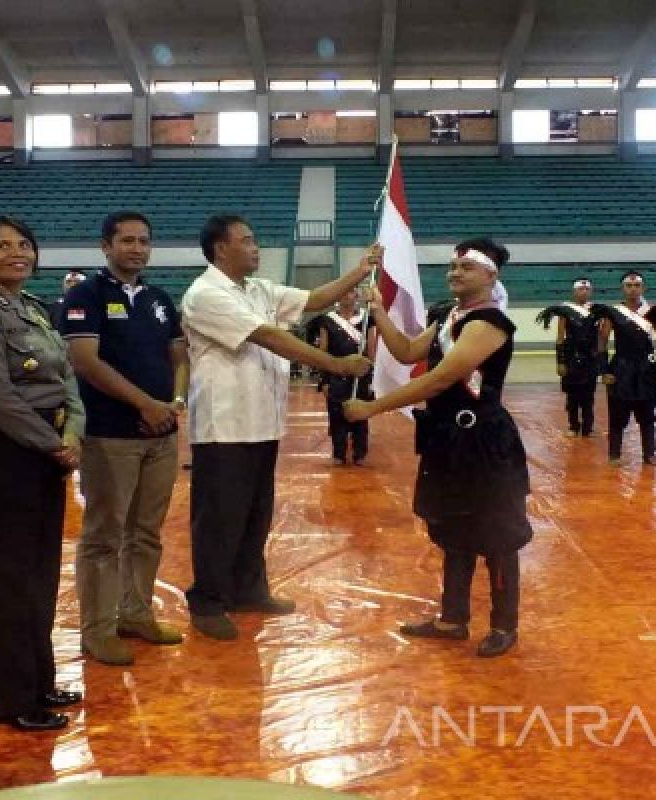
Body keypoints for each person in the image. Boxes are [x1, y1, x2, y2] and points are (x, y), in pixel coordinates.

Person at [180, 213, 374, 641]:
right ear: (220, 249)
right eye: (247, 241)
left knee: (254, 513)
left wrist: (358, 272)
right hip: (224, 425)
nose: (256, 247)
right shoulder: (206, 294)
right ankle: (208, 600)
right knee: (219, 519)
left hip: (262, 421)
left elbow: (314, 299)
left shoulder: (258, 289)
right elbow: (268, 336)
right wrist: (335, 364)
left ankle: (248, 588)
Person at [344, 238, 531, 658]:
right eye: (452, 265)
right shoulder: (447, 316)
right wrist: (376, 310)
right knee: (453, 528)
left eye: (466, 267)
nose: (455, 272)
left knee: (497, 534)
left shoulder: (489, 323)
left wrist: (373, 408)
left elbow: (440, 378)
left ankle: (504, 624)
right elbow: (408, 351)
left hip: (483, 441)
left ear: (491, 275)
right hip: (447, 438)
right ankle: (452, 618)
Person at [0, 215, 86, 732]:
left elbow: (67, 377)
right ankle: (10, 698)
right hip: (1, 452)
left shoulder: (36, 310)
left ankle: (39, 680)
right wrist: (54, 444)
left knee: (40, 573)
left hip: (46, 449)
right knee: (7, 579)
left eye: (24, 244)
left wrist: (73, 432)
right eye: (3, 246)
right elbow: (0, 399)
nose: (17, 253)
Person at [60, 211, 189, 666]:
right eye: (127, 240)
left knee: (147, 533)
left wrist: (172, 402)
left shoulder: (159, 299)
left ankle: (135, 613)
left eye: (144, 241)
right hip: (110, 434)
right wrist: (144, 405)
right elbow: (84, 361)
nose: (136, 248)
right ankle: (97, 630)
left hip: (161, 434)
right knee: (104, 535)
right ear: (105, 246)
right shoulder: (85, 295)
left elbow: (179, 355)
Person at [594, 270, 656, 466]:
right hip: (621, 368)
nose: (633, 289)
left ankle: (650, 453)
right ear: (622, 288)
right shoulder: (613, 312)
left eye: (637, 286)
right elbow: (601, 341)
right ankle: (614, 454)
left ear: (643, 288)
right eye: (629, 285)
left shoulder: (655, 312)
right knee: (617, 415)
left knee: (647, 415)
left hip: (646, 369)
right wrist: (604, 370)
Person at [316, 288, 375, 465]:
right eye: (342, 292)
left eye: (350, 292)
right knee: (336, 415)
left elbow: (371, 352)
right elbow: (323, 352)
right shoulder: (328, 321)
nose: (345, 295)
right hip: (336, 375)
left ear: (356, 296)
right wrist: (324, 380)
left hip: (361, 376)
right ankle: (339, 453)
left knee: (361, 414)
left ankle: (360, 453)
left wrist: (370, 376)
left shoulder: (367, 319)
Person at [537, 277, 598, 437]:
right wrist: (560, 361)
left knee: (588, 395)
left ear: (591, 292)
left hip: (590, 358)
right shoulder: (565, 310)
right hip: (571, 356)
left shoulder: (597, 310)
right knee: (572, 395)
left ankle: (587, 427)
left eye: (586, 289)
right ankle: (573, 425)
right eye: (580, 289)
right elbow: (560, 337)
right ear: (574, 291)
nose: (583, 292)